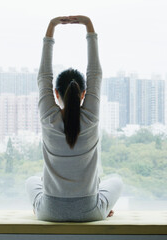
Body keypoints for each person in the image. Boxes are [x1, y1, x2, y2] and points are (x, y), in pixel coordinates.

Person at [25, 15, 123, 222]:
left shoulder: (48, 118)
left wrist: (51, 27)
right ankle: (104, 208)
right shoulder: (91, 117)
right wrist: (88, 24)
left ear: (56, 94)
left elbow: (43, 76)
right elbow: (95, 74)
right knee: (116, 181)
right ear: (84, 94)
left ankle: (40, 208)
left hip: (49, 211)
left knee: (32, 181)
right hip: (90, 212)